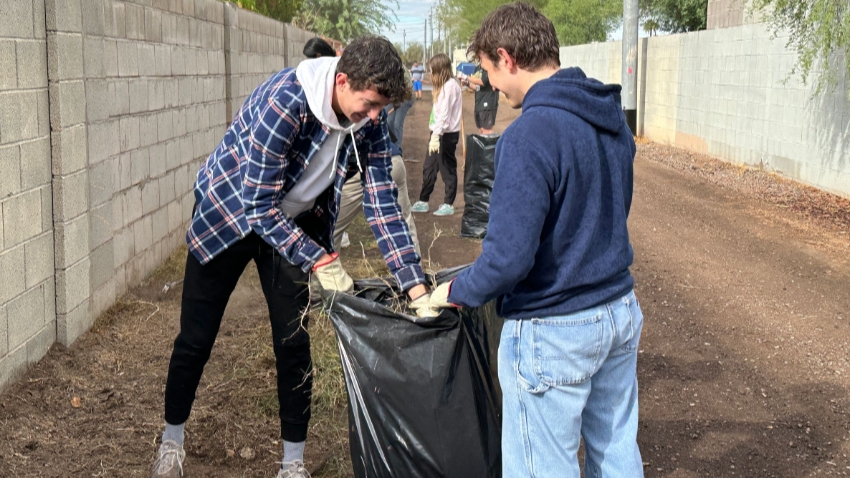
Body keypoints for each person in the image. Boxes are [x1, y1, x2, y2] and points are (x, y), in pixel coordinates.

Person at [150, 35, 437, 478]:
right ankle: (171, 440)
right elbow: (257, 205)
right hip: (231, 212)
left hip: (293, 218)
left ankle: (292, 463)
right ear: (342, 81)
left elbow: (382, 201)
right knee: (196, 336)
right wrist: (319, 259)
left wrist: (415, 285)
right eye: (370, 104)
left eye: (381, 107)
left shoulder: (368, 119)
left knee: (292, 343)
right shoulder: (287, 101)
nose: (376, 116)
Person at [429, 3, 645, 477]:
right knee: (617, 452)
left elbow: (508, 259)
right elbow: (612, 214)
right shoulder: (610, 119)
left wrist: (456, 291)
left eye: (488, 72)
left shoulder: (528, 136)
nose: (491, 86)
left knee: (540, 467)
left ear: (507, 58)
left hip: (555, 327)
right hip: (619, 311)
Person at [334, 70, 421, 255]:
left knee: (330, 230)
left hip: (371, 168)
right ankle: (418, 276)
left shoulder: (355, 109)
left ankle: (325, 280)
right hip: (396, 161)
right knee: (404, 221)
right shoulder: (373, 111)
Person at [410, 54, 462, 217]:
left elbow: (445, 114)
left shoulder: (450, 86)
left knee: (447, 168)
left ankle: (448, 203)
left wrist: (437, 135)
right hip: (437, 133)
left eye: (432, 69)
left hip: (446, 134)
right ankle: (423, 200)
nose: (430, 72)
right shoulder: (443, 85)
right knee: (429, 167)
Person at [465, 65, 499, 134]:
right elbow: (478, 87)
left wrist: (466, 77)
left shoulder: (490, 67)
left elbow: (482, 82)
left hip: (488, 104)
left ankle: (490, 144)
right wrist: (467, 83)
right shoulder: (477, 68)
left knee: (487, 131)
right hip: (479, 104)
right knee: (481, 130)